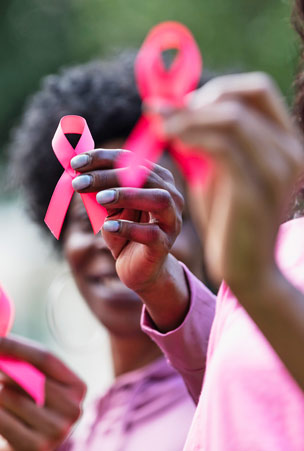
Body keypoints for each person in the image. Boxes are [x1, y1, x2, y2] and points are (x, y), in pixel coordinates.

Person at [66, 2, 304, 450]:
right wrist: (167, 291)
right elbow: (256, 405)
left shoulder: (263, 272)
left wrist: (264, 287)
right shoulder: (289, 245)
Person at [6, 52, 209, 450]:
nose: (112, 240)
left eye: (144, 215)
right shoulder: (83, 426)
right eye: (87, 221)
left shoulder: (238, 383)